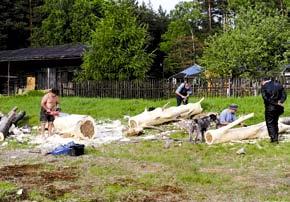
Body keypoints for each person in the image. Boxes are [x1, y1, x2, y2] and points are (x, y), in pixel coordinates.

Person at [261, 78, 287, 143]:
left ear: (264, 80)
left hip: (270, 107)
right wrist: (280, 101)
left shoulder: (265, 86)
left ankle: (273, 138)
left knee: (270, 123)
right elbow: (284, 95)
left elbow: (265, 98)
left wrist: (273, 103)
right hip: (279, 107)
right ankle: (276, 137)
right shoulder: (279, 85)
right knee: (275, 122)